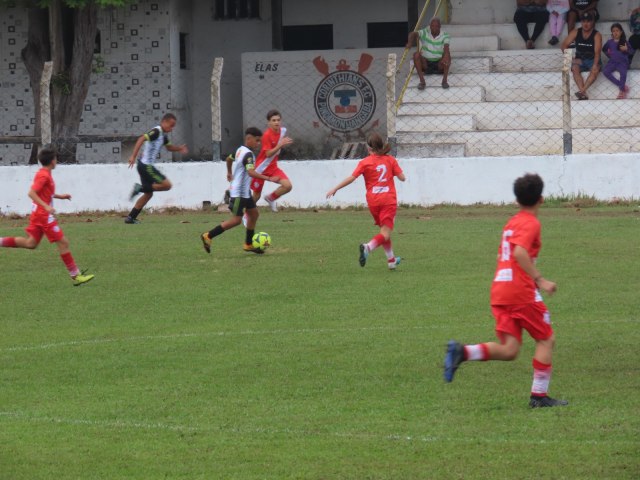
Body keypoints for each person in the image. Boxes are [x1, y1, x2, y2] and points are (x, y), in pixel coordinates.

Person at [444, 173, 568, 409]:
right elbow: (520, 253)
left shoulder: (511, 222)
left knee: (510, 349)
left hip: (500, 290)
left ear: (517, 200)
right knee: (546, 339)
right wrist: (540, 280)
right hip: (520, 292)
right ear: (541, 199)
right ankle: (539, 397)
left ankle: (463, 352)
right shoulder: (531, 223)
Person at [0, 148, 94, 286]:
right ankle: (75, 275)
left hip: (38, 214)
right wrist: (46, 206)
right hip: (43, 216)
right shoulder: (44, 176)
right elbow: (31, 193)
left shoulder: (43, 173)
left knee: (31, 244)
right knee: (63, 242)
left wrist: (60, 196)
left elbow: (44, 192)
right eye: (56, 159)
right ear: (52, 161)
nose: (57, 161)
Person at [326, 132, 406, 270]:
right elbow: (402, 178)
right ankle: (367, 247)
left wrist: (335, 188)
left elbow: (351, 178)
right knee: (385, 233)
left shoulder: (365, 162)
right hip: (388, 200)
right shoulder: (390, 160)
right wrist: (395, 171)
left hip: (373, 202)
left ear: (369, 148)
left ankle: (391, 260)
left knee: (384, 231)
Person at [201, 127, 279, 254]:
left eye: (260, 141)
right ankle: (208, 235)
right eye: (257, 141)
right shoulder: (248, 155)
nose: (258, 144)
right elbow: (251, 172)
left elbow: (229, 159)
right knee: (236, 220)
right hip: (239, 193)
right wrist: (269, 178)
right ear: (249, 139)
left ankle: (248, 244)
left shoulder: (240, 150)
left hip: (245, 193)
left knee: (254, 214)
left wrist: (229, 172)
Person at [125, 113, 188, 224]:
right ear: (164, 122)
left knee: (149, 193)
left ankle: (131, 217)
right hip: (146, 166)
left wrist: (179, 148)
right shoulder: (156, 131)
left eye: (173, 126)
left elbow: (169, 147)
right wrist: (133, 156)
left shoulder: (163, 136)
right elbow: (141, 138)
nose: (172, 128)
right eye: (170, 125)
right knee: (167, 185)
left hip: (143, 165)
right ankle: (140, 188)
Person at [249, 109, 293, 213]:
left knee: (288, 186)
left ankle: (270, 198)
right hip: (261, 168)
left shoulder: (282, 131)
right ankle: (246, 212)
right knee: (256, 195)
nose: (276, 122)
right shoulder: (266, 136)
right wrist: (280, 145)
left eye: (278, 120)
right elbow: (268, 154)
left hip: (273, 167)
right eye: (273, 120)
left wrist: (282, 143)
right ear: (268, 122)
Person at [561, 11, 602, 100]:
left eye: (588, 21)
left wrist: (595, 65)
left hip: (592, 59)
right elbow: (564, 45)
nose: (585, 24)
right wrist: (572, 59)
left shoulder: (597, 35)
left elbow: (597, 53)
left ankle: (582, 91)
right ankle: (583, 92)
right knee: (575, 68)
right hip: (580, 59)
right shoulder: (576, 32)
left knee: (595, 69)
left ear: (592, 22)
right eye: (583, 21)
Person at [406, 17, 451, 90]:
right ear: (430, 26)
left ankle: (444, 81)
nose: (434, 28)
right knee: (416, 55)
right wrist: (410, 43)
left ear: (440, 26)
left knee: (447, 54)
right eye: (432, 26)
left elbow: (446, 47)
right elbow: (412, 34)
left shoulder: (445, 35)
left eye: (437, 26)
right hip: (426, 64)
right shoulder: (425, 32)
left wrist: (446, 55)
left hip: (439, 63)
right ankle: (422, 82)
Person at [602, 23, 635, 99]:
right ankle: (621, 85)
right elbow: (604, 49)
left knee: (623, 74)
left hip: (622, 62)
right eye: (613, 31)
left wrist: (626, 49)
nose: (615, 32)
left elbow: (632, 52)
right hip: (612, 62)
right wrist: (609, 54)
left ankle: (621, 92)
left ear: (621, 32)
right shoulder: (609, 42)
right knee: (605, 72)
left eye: (617, 31)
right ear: (612, 33)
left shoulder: (624, 42)